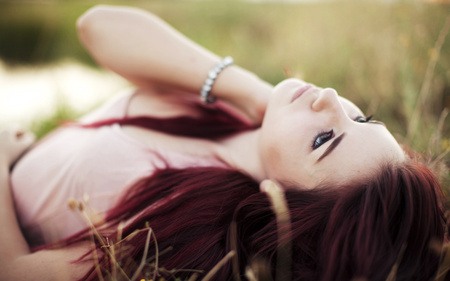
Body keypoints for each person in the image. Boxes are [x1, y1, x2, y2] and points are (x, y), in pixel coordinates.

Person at [0, 5, 447, 281]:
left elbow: (14, 274)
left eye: (325, 139)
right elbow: (97, 25)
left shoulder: (178, 227)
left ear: (289, 208)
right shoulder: (235, 110)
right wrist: (250, 91)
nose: (329, 99)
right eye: (361, 117)